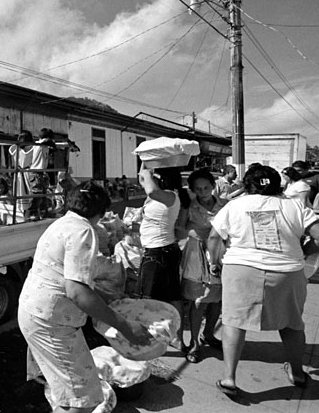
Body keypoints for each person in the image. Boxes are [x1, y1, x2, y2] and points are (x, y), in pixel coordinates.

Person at [18, 181, 152, 412]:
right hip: (52, 322)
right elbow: (76, 292)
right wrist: (125, 326)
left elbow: (69, 278)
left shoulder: (61, 223)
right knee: (83, 399)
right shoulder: (83, 231)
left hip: (35, 313)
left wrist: (108, 301)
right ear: (100, 213)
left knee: (68, 395)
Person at [208, 165, 319, 396]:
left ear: (246, 186)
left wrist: (215, 263)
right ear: (277, 184)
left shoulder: (235, 205)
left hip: (241, 269)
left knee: (234, 322)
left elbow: (214, 237)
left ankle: (229, 378)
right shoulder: (294, 205)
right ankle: (297, 372)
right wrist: (307, 249)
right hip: (287, 272)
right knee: (291, 324)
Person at [137, 167, 191, 350]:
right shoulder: (166, 196)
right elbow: (144, 183)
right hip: (165, 250)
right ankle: (176, 338)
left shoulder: (169, 195)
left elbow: (149, 187)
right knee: (172, 296)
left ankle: (147, 342)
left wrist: (147, 173)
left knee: (148, 299)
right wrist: (144, 162)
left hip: (157, 253)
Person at [179, 169, 224, 363]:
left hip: (220, 255)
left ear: (213, 186)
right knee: (199, 300)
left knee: (217, 299)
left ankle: (209, 334)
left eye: (206, 187)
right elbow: (180, 227)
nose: (203, 191)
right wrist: (195, 232)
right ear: (193, 190)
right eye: (198, 188)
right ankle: (195, 342)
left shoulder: (226, 206)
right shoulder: (188, 206)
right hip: (197, 254)